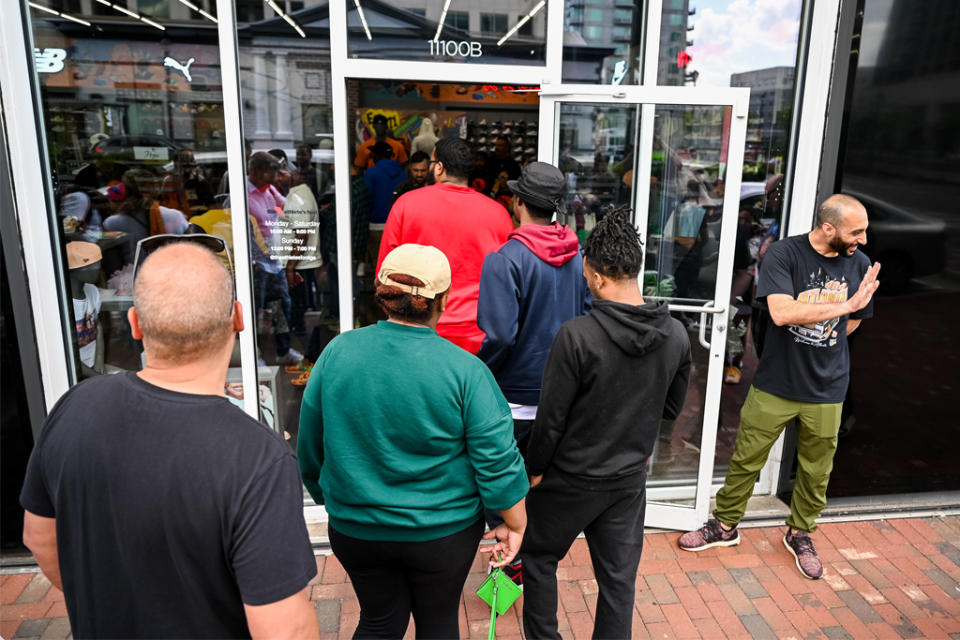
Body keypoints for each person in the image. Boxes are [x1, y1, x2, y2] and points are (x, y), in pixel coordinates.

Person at [20, 238, 319, 638]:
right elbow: (286, 631)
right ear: (238, 319)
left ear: (135, 323)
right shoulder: (257, 458)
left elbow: (38, 536)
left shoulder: (74, 406)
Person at [298, 243, 528, 639]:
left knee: (379, 620)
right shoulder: (465, 371)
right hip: (443, 532)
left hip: (357, 528)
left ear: (381, 292)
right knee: (438, 622)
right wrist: (515, 522)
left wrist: (332, 498)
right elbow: (498, 461)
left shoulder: (337, 352)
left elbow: (310, 445)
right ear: (443, 300)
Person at [678, 194, 881, 580]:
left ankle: (800, 531)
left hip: (828, 386)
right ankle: (724, 525)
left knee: (816, 470)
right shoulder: (784, 255)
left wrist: (834, 327)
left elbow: (855, 323)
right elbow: (782, 312)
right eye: (857, 231)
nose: (864, 240)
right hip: (776, 382)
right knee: (746, 460)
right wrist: (844, 305)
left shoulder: (860, 264)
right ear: (828, 228)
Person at [520, 210, 691, 640]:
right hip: (627, 481)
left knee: (539, 559)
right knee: (618, 582)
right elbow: (671, 410)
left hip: (570, 479)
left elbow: (551, 420)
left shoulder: (576, 336)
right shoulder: (676, 334)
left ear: (596, 278)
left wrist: (534, 469)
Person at [476, 162, 591, 584]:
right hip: (561, 396)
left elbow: (501, 336)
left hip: (512, 397)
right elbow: (587, 317)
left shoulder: (505, 259)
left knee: (500, 488)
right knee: (541, 485)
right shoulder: (577, 255)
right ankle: (535, 560)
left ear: (518, 201)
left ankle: (509, 564)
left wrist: (478, 374)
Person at [377, 138, 513, 354]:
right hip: (479, 333)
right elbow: (509, 280)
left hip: (417, 329)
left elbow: (384, 275)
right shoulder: (499, 214)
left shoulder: (406, 204)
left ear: (439, 168)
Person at [236, 152, 303, 365]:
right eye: (271, 170)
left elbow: (284, 210)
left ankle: (283, 351)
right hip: (257, 263)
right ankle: (252, 354)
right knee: (254, 310)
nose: (276, 174)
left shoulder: (269, 190)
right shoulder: (241, 195)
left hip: (274, 262)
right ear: (256, 171)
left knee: (281, 306)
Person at [363, 142, 407, 227]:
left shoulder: (371, 174)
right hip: (398, 224)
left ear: (377, 155)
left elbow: (366, 200)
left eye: (372, 154)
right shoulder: (403, 175)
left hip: (376, 223)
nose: (372, 157)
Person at [161, 148, 214, 218]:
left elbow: (210, 205)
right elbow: (163, 204)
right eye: (183, 163)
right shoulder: (169, 181)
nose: (187, 166)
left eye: (190, 162)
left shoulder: (200, 181)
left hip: (197, 220)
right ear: (176, 164)